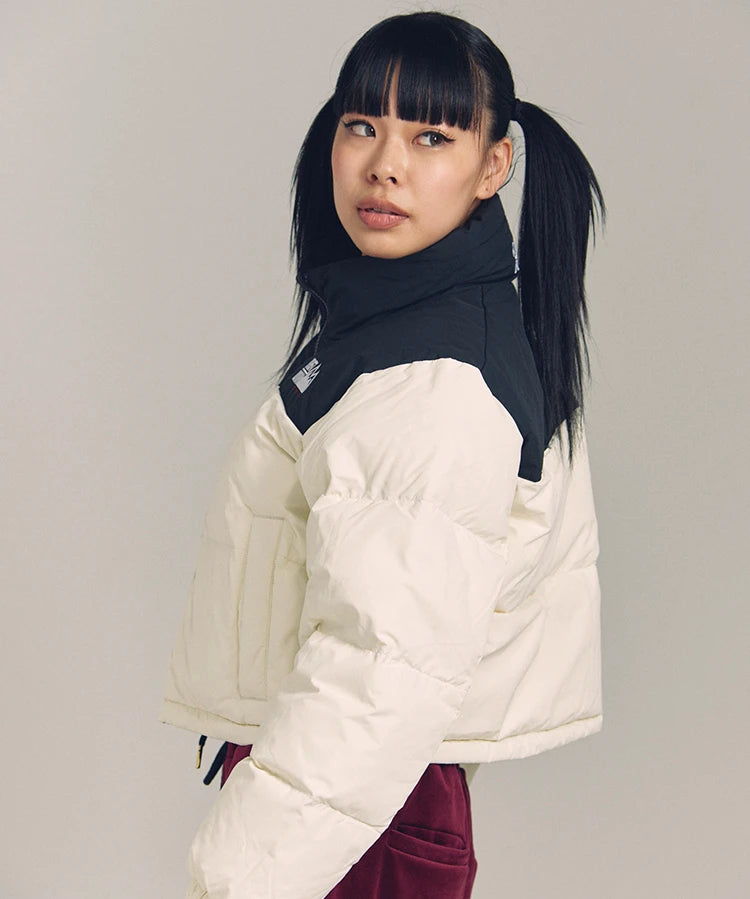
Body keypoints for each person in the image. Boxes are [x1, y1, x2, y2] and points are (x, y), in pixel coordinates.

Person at [159, 10, 607, 899]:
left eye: (432, 136)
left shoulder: (435, 381)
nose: (385, 164)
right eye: (363, 125)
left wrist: (235, 878)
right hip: (353, 802)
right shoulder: (399, 325)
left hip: (356, 810)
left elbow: (382, 671)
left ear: (494, 166)